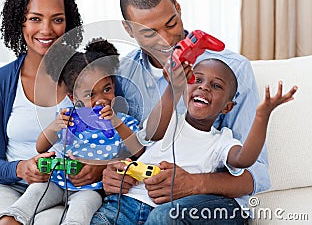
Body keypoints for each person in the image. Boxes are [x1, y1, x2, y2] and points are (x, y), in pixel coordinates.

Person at [92, 0, 270, 224]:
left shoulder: (232, 69)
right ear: (129, 30)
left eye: (171, 23)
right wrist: (112, 171)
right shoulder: (124, 75)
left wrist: (193, 184)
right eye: (149, 33)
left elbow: (256, 173)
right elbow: (133, 145)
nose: (166, 39)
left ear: (177, 6)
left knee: (164, 217)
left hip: (211, 202)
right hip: (142, 198)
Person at [92, 58, 297, 224]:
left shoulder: (221, 141)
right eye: (197, 80)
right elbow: (151, 134)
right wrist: (173, 88)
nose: (204, 87)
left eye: (216, 86)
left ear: (227, 107)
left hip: (167, 210)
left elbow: (244, 160)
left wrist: (261, 117)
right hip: (126, 204)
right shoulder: (167, 123)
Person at [0, 0, 89, 225]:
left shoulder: (88, 75)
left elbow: (116, 135)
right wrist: (21, 168)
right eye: (35, 18)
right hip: (7, 188)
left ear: (68, 24)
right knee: (7, 220)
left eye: (58, 19)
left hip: (60, 193)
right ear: (19, 22)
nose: (47, 30)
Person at [0, 38, 143, 225]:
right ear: (73, 98)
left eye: (107, 89)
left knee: (85, 207)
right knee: (34, 193)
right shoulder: (70, 118)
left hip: (91, 189)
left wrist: (116, 121)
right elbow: (41, 147)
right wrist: (54, 127)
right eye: (90, 95)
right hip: (57, 181)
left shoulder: (123, 121)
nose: (100, 100)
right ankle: (9, 220)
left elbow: (138, 151)